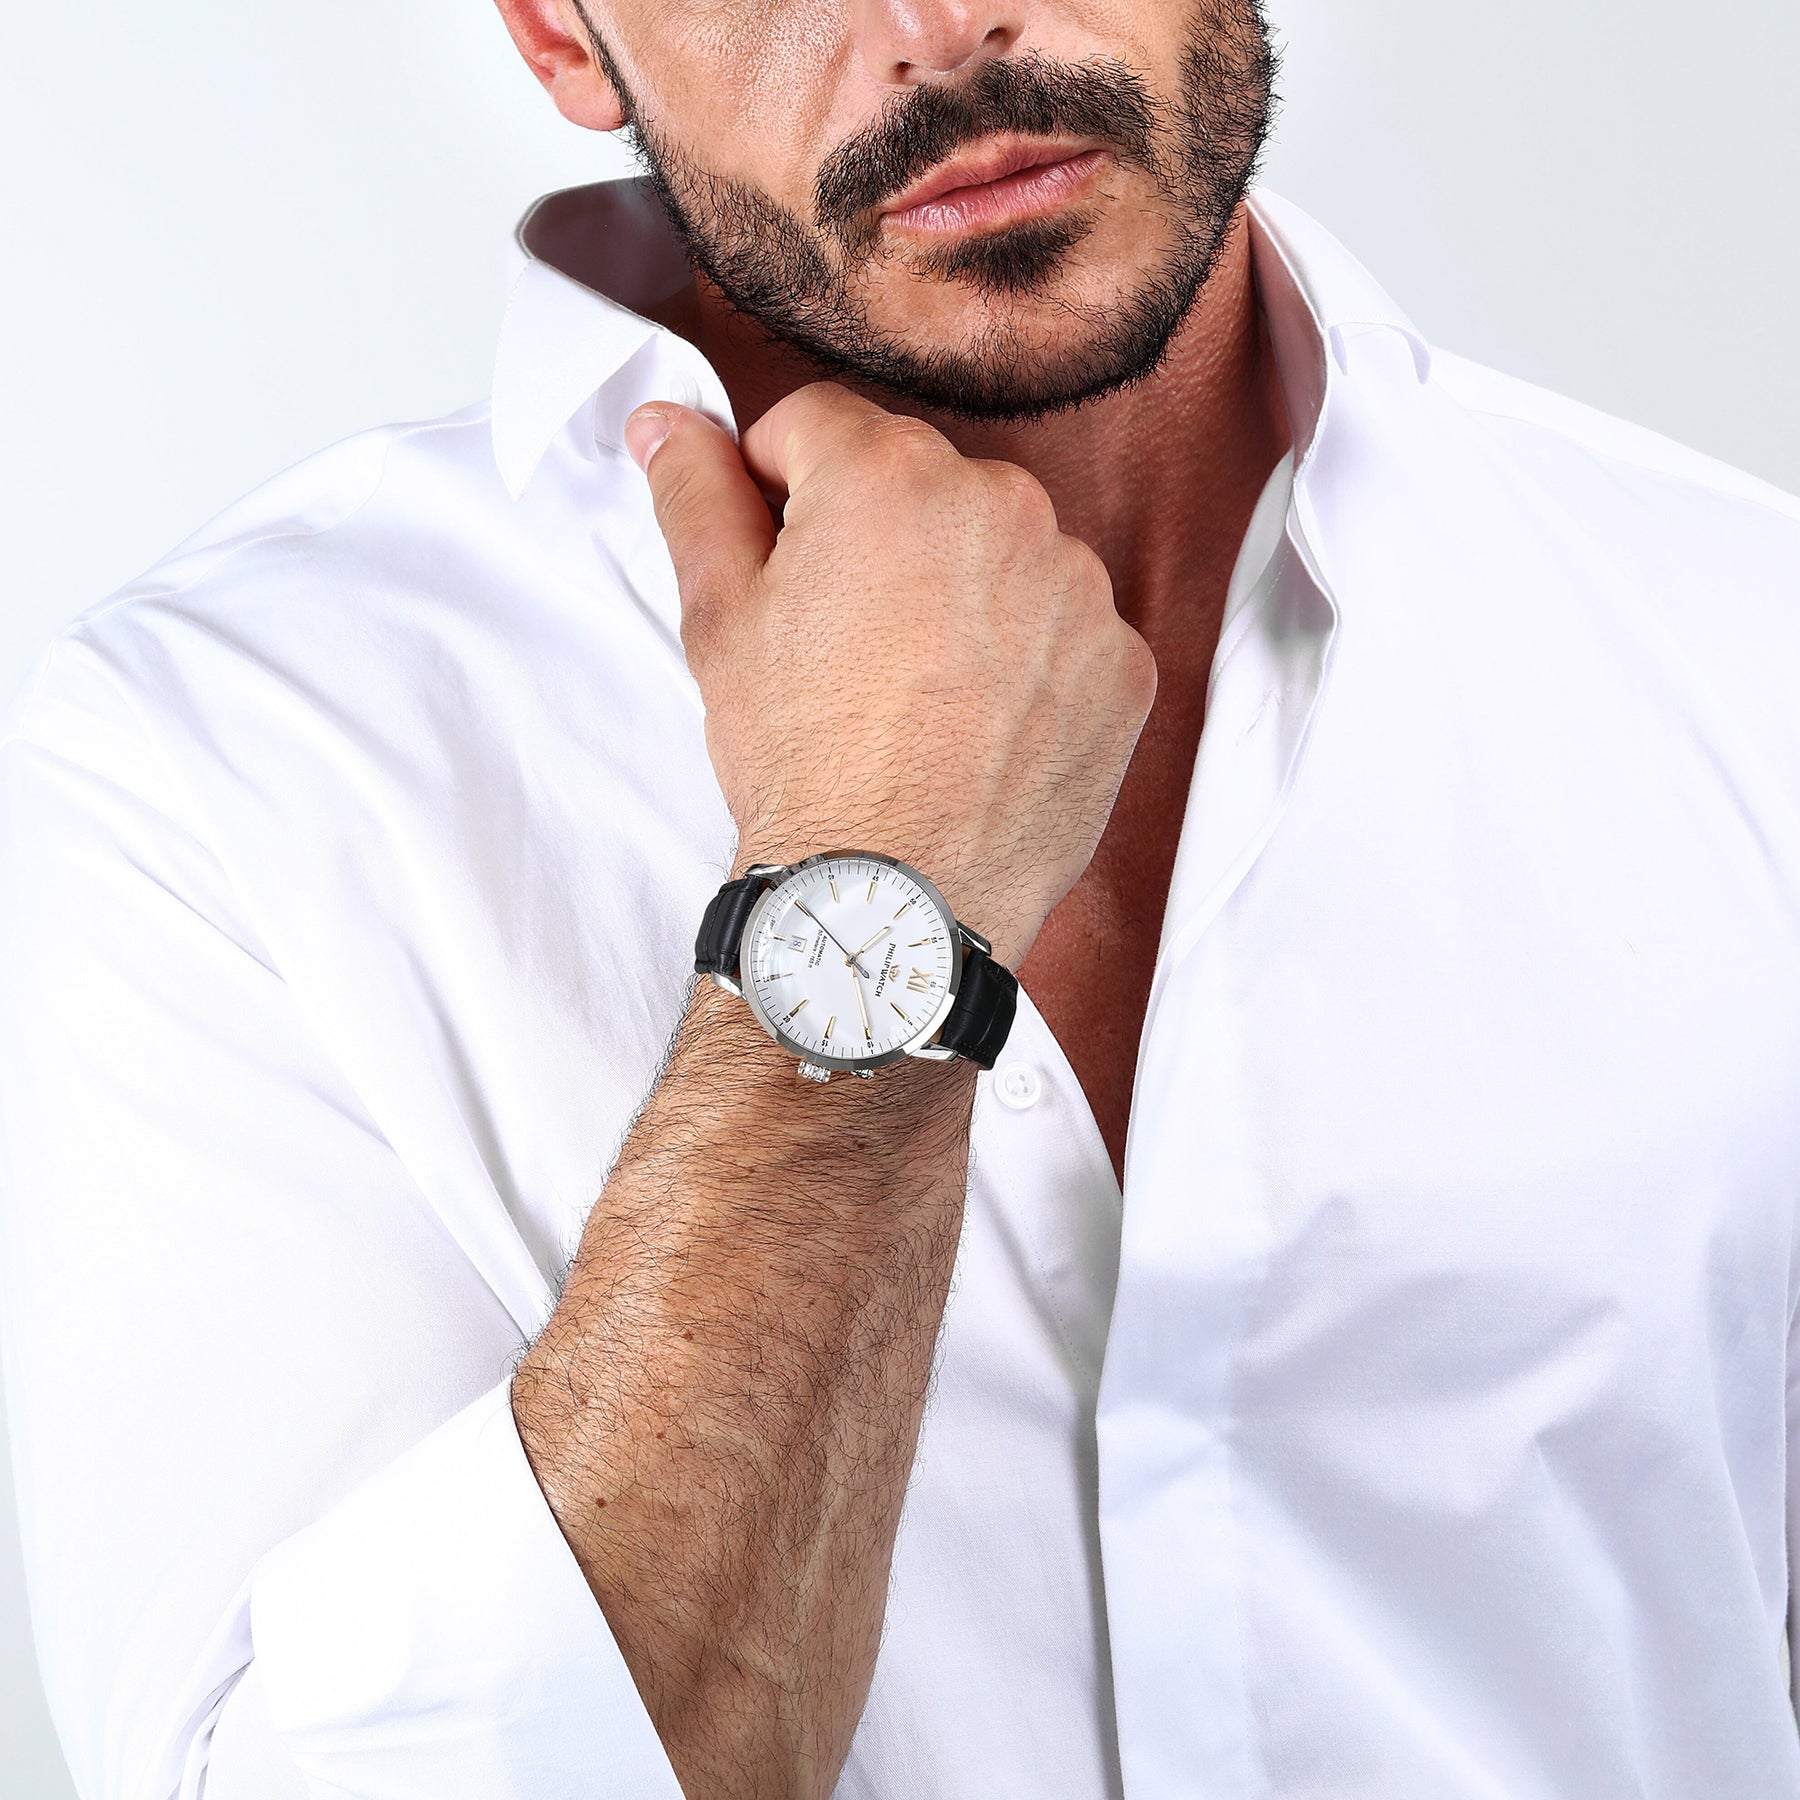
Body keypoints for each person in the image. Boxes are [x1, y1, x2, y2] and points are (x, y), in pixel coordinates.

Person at [4, 0, 1799, 1795]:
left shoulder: (1739, 634)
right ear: (561, 35)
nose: (943, 26)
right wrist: (876, 887)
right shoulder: (204, 765)